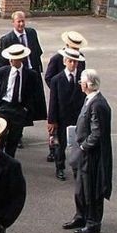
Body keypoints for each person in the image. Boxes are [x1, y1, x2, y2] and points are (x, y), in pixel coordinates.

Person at [63, 69, 113, 233]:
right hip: (83, 153)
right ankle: (81, 215)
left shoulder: (98, 104)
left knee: (91, 188)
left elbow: (97, 133)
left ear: (89, 84)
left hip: (91, 155)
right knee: (81, 188)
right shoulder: (89, 100)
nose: (80, 84)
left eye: (82, 81)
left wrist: (84, 146)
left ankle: (92, 222)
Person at [0, 43, 46, 157]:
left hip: (19, 109)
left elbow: (33, 94)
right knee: (0, 138)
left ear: (21, 59)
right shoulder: (2, 72)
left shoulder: (30, 74)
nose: (12, 61)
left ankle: (9, 163)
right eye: (11, 58)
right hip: (4, 107)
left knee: (13, 140)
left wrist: (25, 109)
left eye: (15, 58)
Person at [47, 46, 85, 181]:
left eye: (75, 62)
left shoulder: (82, 77)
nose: (73, 64)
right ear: (64, 61)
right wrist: (51, 120)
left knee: (77, 145)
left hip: (77, 117)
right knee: (60, 145)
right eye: (70, 61)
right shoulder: (56, 79)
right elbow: (53, 101)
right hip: (61, 118)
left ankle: (76, 168)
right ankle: (60, 168)